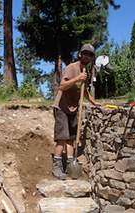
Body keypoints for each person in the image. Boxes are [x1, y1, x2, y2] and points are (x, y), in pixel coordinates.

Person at [52, 44, 102, 180]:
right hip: (62, 107)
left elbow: (84, 90)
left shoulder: (85, 71)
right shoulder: (71, 68)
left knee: (71, 139)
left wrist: (93, 102)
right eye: (85, 53)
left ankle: (70, 164)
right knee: (62, 137)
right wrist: (77, 79)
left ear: (92, 58)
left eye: (90, 54)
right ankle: (56, 166)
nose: (87, 56)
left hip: (73, 108)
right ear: (80, 54)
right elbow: (62, 86)